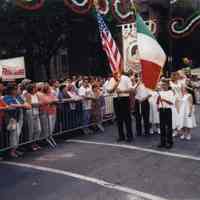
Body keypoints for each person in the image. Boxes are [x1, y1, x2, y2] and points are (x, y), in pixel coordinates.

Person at [106, 71, 134, 142]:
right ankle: (121, 136)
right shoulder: (112, 79)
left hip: (124, 99)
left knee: (127, 118)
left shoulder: (125, 78)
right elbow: (109, 91)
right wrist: (115, 86)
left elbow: (131, 89)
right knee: (119, 119)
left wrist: (122, 91)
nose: (114, 72)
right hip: (116, 99)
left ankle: (129, 136)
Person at [157, 80, 175, 149]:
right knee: (162, 126)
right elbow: (158, 101)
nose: (163, 86)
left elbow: (171, 103)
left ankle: (169, 142)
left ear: (168, 85)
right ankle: (162, 142)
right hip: (162, 110)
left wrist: (164, 100)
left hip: (168, 110)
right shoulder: (160, 92)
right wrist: (158, 106)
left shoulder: (170, 92)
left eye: (164, 85)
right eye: (162, 85)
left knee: (169, 127)